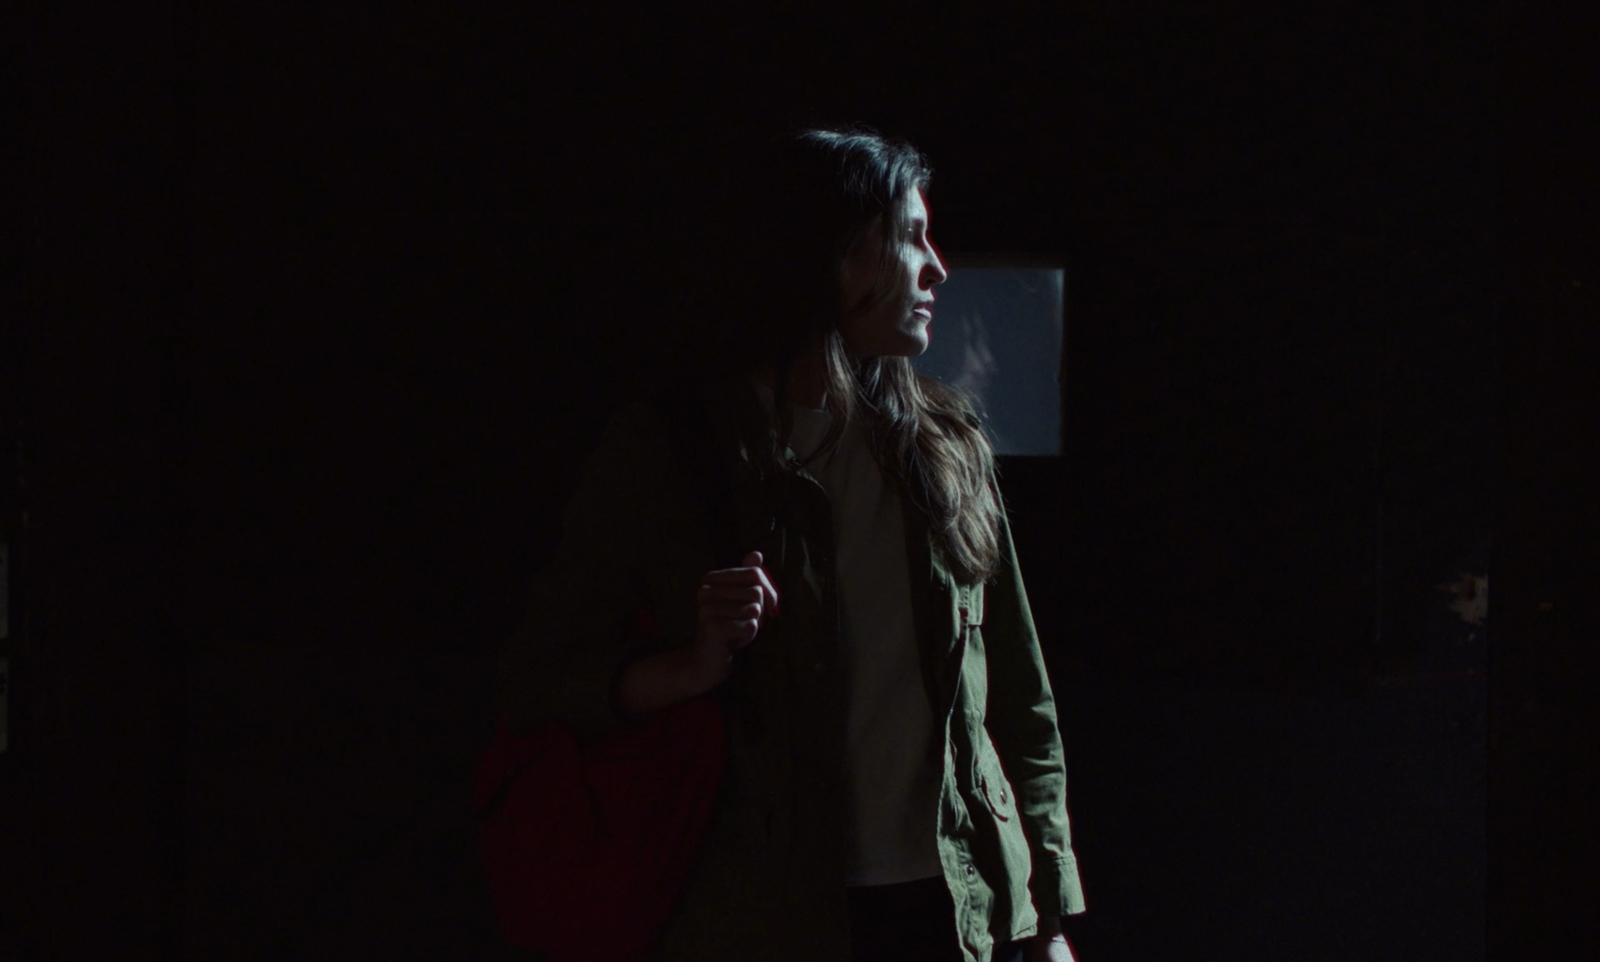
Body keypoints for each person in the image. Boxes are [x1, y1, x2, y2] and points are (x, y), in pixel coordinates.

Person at [495, 124, 1085, 962]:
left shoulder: (948, 443)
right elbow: (538, 679)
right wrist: (690, 668)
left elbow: (1019, 699)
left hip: (955, 910)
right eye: (911, 237)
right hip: (762, 917)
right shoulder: (674, 449)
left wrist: (1047, 919)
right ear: (837, 254)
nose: (938, 268)